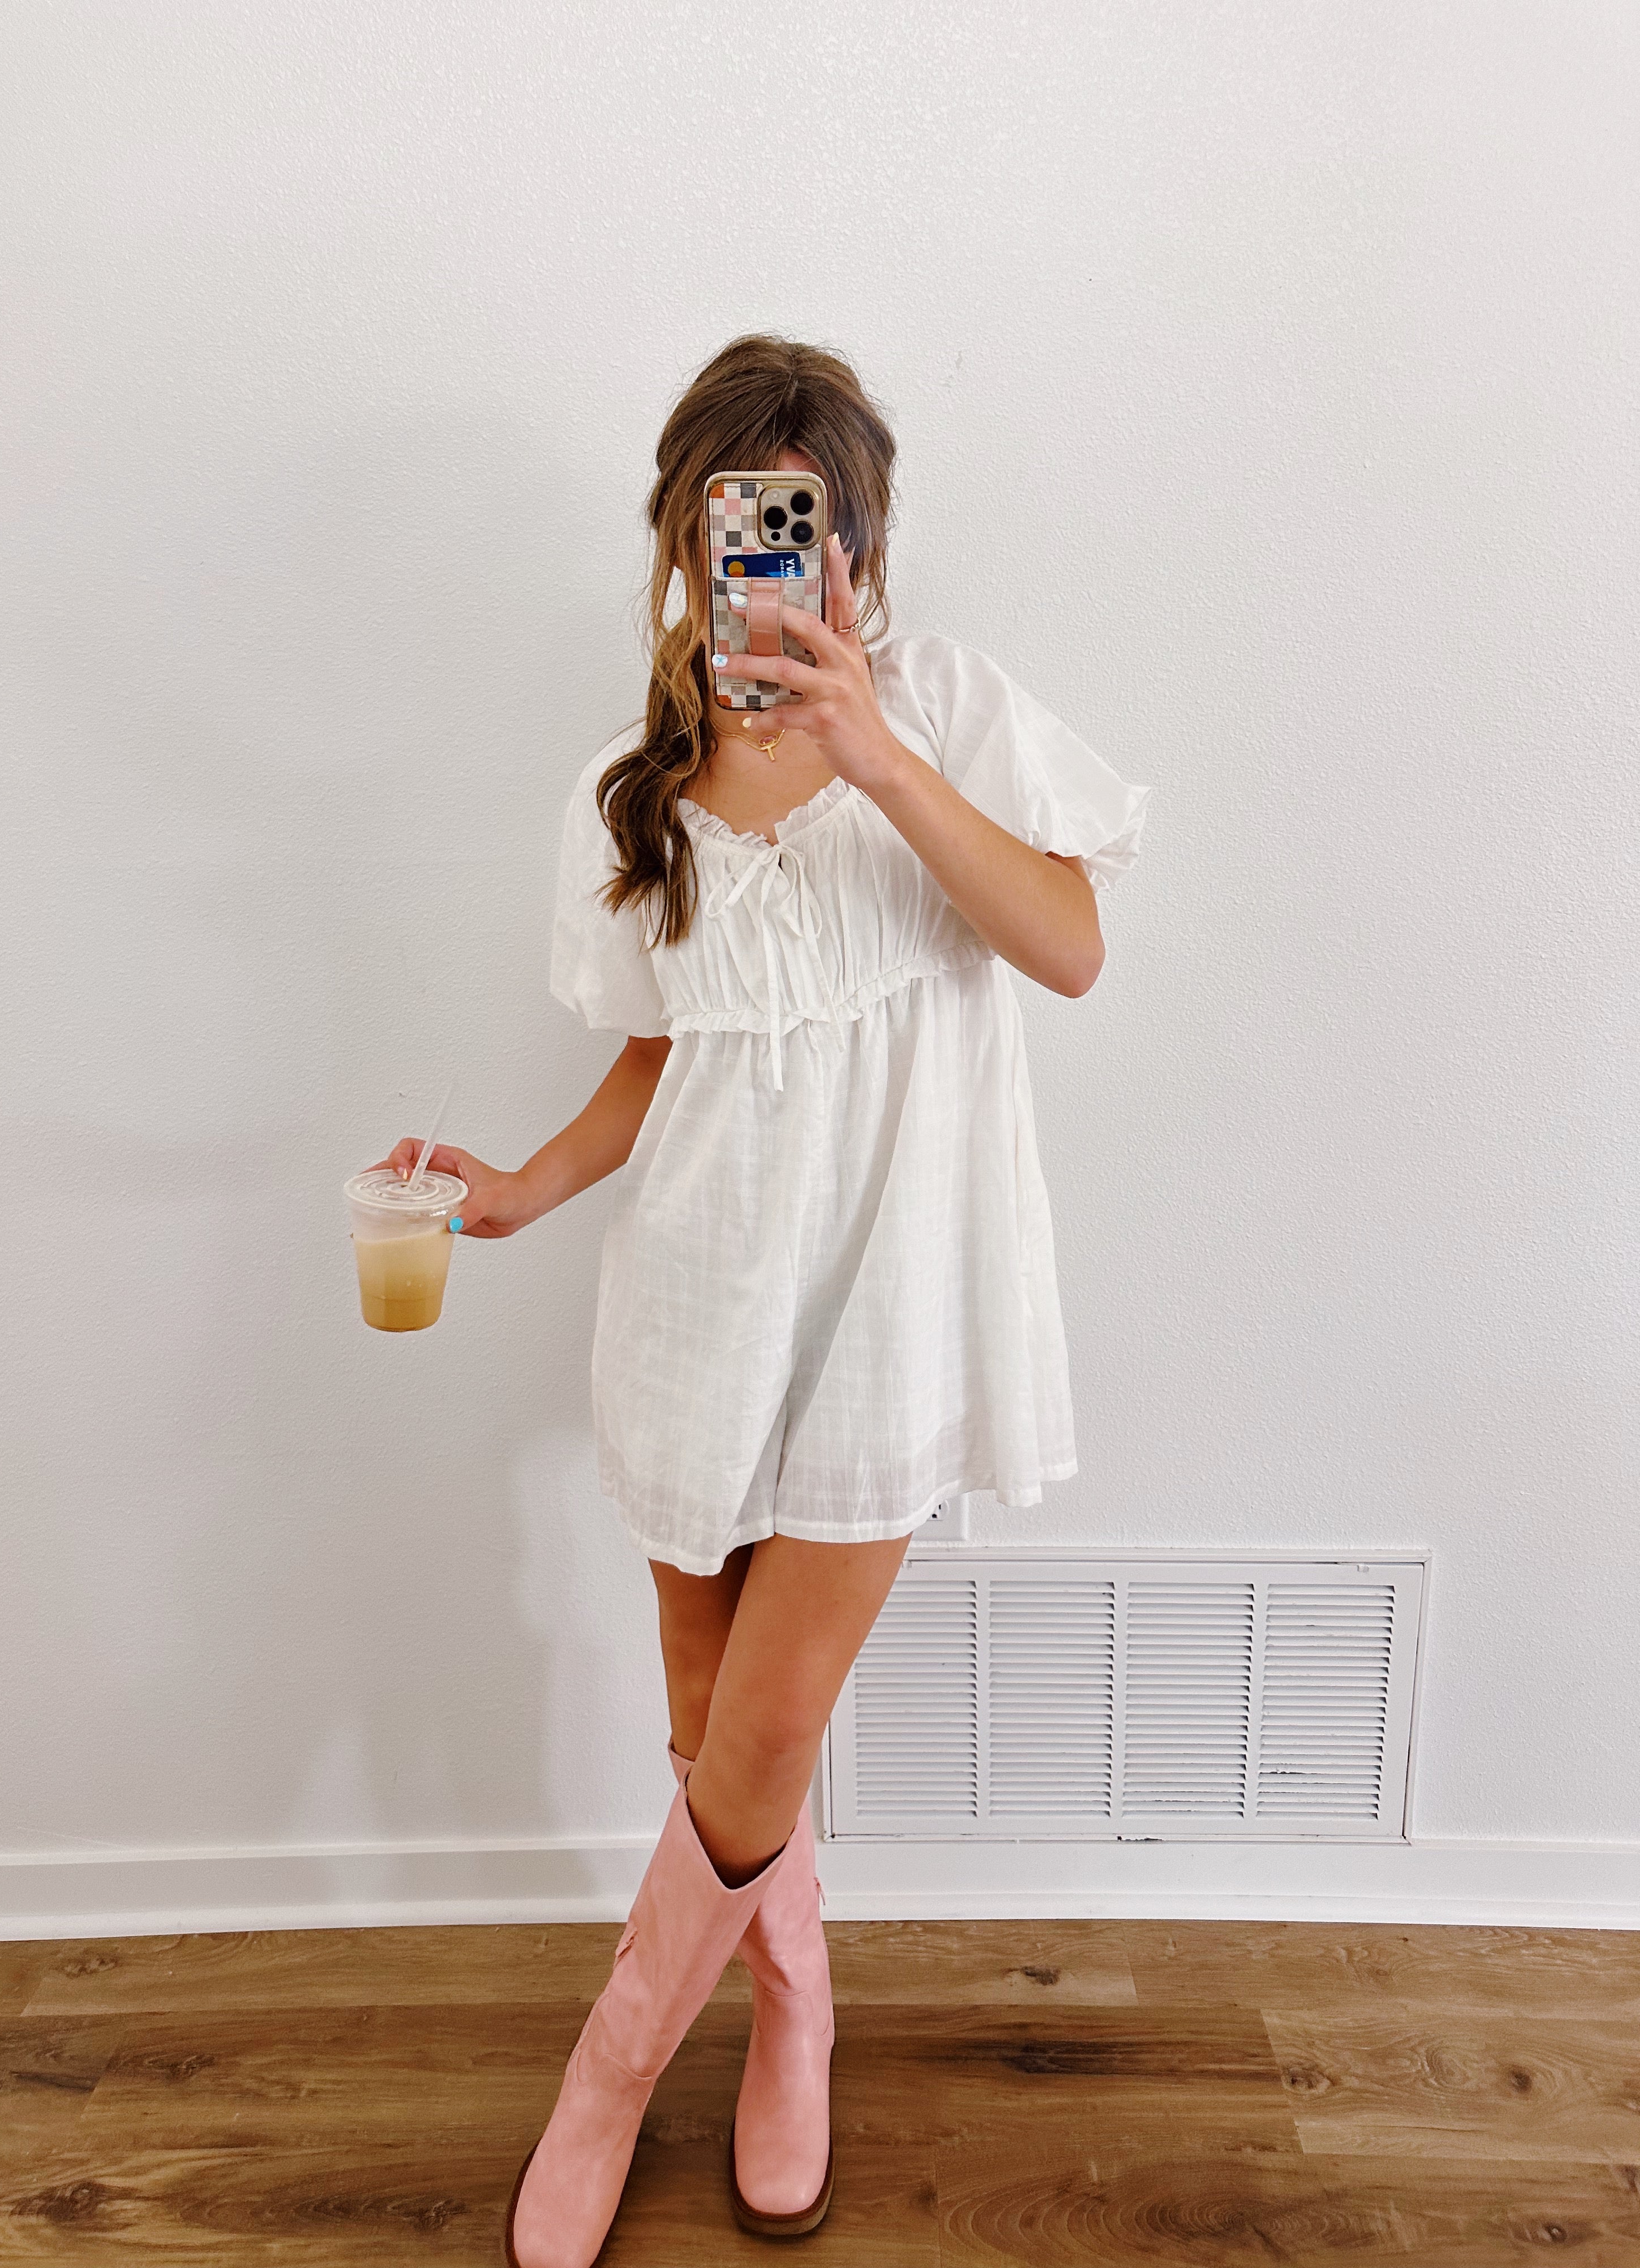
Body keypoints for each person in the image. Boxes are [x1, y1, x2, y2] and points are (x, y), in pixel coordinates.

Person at [370, 334, 1151, 2268]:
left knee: (772, 1721)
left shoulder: (945, 709)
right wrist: (522, 1187)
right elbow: (669, 1052)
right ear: (686, 541)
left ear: (861, 542)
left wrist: (877, 753)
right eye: (742, 527)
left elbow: (1069, 946)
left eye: (815, 525)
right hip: (700, 1295)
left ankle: (613, 2066)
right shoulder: (632, 794)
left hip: (893, 1304)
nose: (779, 563)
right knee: (713, 1713)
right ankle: (795, 1997)